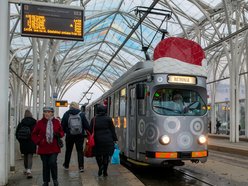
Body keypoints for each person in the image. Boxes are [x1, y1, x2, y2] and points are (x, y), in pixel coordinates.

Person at [31, 106, 64, 186]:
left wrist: (58, 134)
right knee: (45, 165)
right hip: (43, 147)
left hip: (54, 147)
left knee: (52, 162)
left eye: (49, 112)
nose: (47, 114)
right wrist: (39, 141)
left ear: (52, 113)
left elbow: (62, 132)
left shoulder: (56, 122)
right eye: (45, 112)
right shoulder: (39, 122)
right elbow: (34, 134)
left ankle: (55, 180)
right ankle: (46, 181)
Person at [61, 102, 90, 172]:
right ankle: (81, 167)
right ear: (77, 106)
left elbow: (62, 126)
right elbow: (86, 126)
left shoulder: (66, 114)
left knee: (68, 150)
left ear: (70, 106)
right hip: (80, 136)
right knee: (80, 151)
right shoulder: (81, 114)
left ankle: (66, 165)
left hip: (69, 135)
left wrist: (67, 131)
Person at [90, 104, 118, 177]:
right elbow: (112, 130)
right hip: (107, 140)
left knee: (98, 155)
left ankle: (100, 167)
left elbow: (90, 130)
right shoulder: (108, 119)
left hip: (97, 140)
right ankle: (105, 171)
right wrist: (115, 139)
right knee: (106, 155)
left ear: (97, 111)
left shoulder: (94, 119)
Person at [15, 109, 36, 179]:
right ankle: (29, 170)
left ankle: (26, 168)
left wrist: (20, 140)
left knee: (25, 155)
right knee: (30, 155)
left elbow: (17, 133)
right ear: (31, 115)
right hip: (32, 142)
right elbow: (37, 132)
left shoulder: (21, 123)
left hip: (23, 142)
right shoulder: (34, 122)